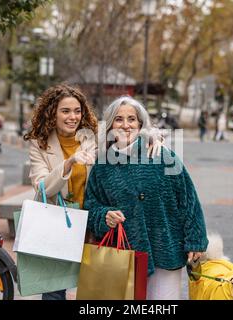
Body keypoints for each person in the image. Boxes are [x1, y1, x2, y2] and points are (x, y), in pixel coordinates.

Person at [23, 85, 163, 300]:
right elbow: (43, 187)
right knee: (54, 293)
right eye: (66, 111)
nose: (73, 117)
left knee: (95, 287)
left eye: (77, 111)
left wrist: (153, 136)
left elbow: (128, 133)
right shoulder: (39, 144)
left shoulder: (94, 137)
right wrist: (69, 163)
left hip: (91, 223)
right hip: (57, 223)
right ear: (52, 113)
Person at [84, 96, 208, 300]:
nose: (125, 125)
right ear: (110, 125)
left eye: (131, 119)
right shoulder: (102, 166)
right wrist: (104, 216)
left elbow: (188, 199)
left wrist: (195, 240)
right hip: (123, 254)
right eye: (119, 119)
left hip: (165, 248)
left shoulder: (162, 156)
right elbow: (91, 206)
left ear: (140, 123)